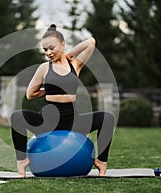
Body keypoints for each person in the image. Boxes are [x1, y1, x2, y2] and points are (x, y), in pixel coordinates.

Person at [11, 24, 115, 177]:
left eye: (52, 48)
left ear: (63, 45)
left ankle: (101, 162)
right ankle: (22, 161)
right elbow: (30, 94)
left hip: (72, 120)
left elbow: (91, 42)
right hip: (47, 121)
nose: (48, 53)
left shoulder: (75, 65)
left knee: (107, 118)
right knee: (17, 117)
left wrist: (70, 54)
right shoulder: (44, 68)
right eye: (45, 50)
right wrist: (48, 89)